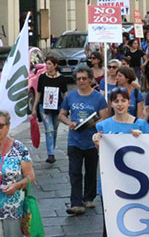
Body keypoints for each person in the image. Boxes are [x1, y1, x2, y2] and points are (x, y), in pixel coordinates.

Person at [92, 88, 149, 237]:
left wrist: (144, 138)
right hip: (110, 181)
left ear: (129, 103)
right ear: (111, 104)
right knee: (110, 222)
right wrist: (97, 144)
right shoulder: (102, 127)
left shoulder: (141, 125)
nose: (120, 104)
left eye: (123, 100)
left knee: (134, 220)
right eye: (116, 101)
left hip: (136, 182)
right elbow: (101, 153)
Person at [59, 66, 109, 215]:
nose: (81, 81)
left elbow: (104, 117)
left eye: (84, 78)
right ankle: (76, 203)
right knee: (74, 172)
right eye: (78, 78)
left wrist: (94, 123)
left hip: (92, 140)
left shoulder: (98, 97)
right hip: (74, 140)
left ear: (90, 79)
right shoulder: (70, 97)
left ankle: (89, 197)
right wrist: (69, 123)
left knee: (91, 170)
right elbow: (62, 114)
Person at [31, 56, 68, 163]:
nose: (47, 66)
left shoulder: (61, 78)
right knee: (49, 129)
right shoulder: (42, 77)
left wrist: (66, 107)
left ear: (55, 65)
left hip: (58, 107)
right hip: (44, 106)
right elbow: (38, 92)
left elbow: (65, 93)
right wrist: (34, 107)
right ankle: (50, 154)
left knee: (54, 130)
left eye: (49, 64)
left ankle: (52, 150)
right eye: (46, 63)